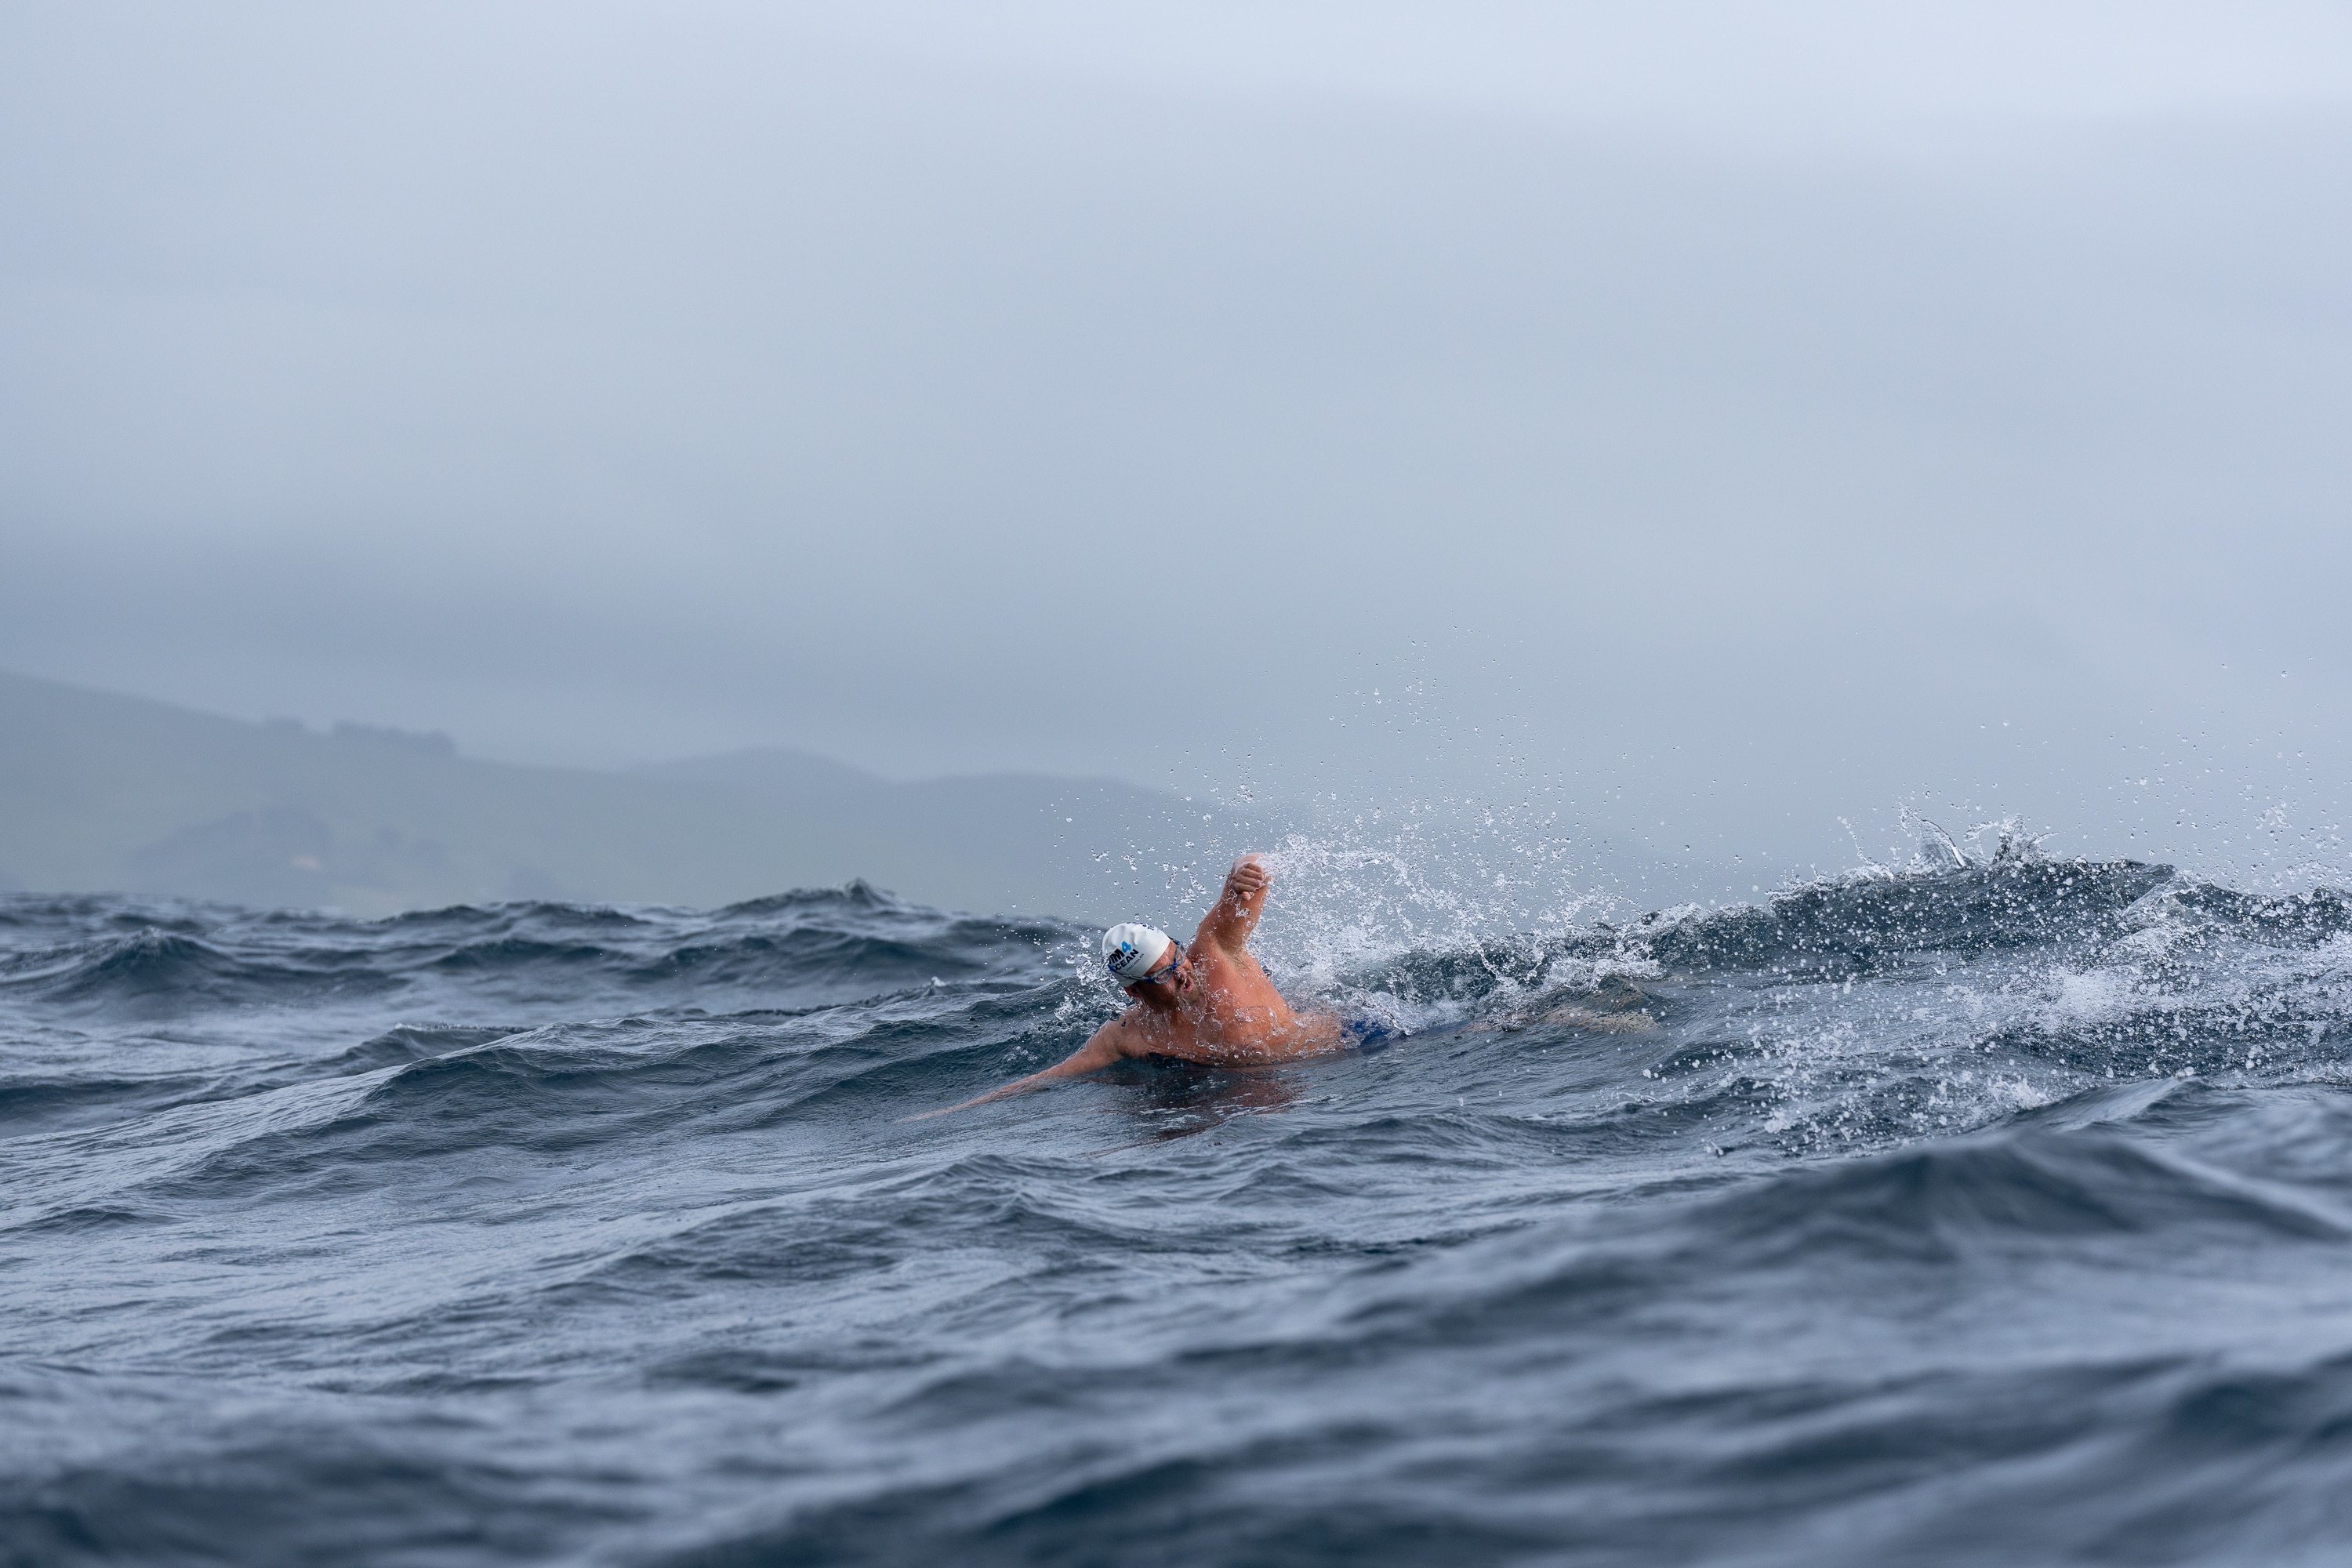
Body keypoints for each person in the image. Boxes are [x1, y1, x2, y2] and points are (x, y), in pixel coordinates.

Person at [918, 853, 1345, 1116]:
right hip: (1244, 1100)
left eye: (1176, 959)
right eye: (1163, 974)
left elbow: (1257, 865)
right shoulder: (1128, 1035)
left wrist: (1239, 871)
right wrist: (953, 1112)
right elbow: (1050, 1077)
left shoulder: (1213, 951)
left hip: (1332, 1065)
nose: (1182, 973)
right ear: (1134, 991)